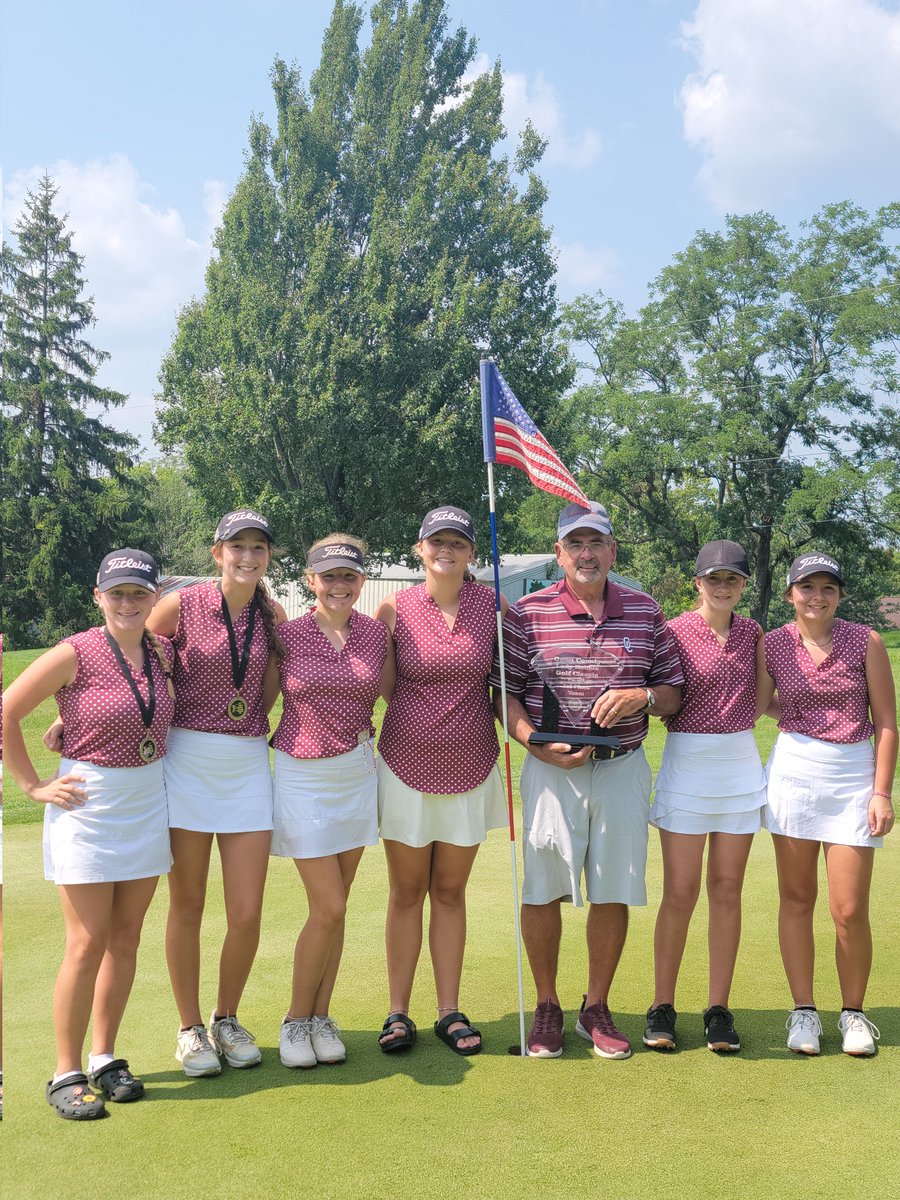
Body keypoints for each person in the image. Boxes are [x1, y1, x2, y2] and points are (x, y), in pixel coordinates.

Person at [492, 501, 684, 1059]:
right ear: (558, 554)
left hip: (621, 767)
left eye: (596, 543)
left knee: (612, 889)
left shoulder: (645, 611)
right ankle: (548, 1006)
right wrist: (532, 742)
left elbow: (672, 691)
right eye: (574, 544)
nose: (586, 554)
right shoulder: (526, 613)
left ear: (612, 551)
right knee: (543, 887)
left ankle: (595, 1007)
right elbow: (504, 693)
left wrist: (641, 696)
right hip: (549, 772)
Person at [3, 550, 175, 1120]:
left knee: (125, 938)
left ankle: (104, 1057)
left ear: (155, 596)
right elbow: (6, 711)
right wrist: (31, 787)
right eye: (117, 593)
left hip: (148, 797)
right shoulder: (73, 651)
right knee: (86, 943)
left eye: (138, 593)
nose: (128, 603)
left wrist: (65, 722)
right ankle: (65, 1071)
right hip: (89, 803)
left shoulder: (161, 652)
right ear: (98, 596)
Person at [146, 509, 286, 1076]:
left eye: (258, 547)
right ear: (217, 553)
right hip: (185, 761)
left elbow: (273, 687)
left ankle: (226, 1017)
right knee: (189, 903)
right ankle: (189, 1029)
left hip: (247, 761)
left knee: (247, 910)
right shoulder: (180, 605)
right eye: (237, 547)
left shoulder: (272, 614)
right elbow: (131, 663)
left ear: (268, 556)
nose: (247, 556)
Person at [376, 507, 507, 1056]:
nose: (446, 550)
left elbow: (507, 684)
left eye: (457, 542)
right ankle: (398, 1012)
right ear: (419, 548)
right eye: (437, 541)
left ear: (472, 552)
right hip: (405, 766)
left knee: (450, 893)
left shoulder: (493, 606)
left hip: (472, 765)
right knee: (407, 892)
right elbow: (380, 685)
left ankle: (448, 1010)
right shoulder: (394, 609)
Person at [760, 552, 897, 1057]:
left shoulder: (867, 641)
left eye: (828, 589)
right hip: (794, 772)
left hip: (853, 778)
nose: (817, 597)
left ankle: (854, 1014)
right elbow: (756, 702)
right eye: (807, 587)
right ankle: (804, 1013)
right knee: (796, 900)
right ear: (790, 593)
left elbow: (886, 722)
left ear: (839, 594)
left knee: (849, 909)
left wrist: (881, 791)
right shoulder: (772, 643)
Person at [268, 536, 393, 1068]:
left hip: (356, 773)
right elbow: (256, 694)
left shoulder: (374, 635)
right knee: (330, 905)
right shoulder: (287, 636)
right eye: (329, 577)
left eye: (349, 576)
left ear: (361, 581)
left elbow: (400, 692)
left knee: (335, 910)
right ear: (309, 580)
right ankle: (295, 1020)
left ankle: (322, 1016)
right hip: (301, 775)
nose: (339, 585)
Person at [644, 540, 767, 1054]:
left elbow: (761, 698)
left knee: (726, 889)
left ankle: (718, 1008)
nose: (722, 587)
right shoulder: (673, 631)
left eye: (732, 579)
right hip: (687, 762)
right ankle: (662, 1005)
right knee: (680, 891)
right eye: (713, 578)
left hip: (738, 765)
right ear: (698, 582)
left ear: (743, 586)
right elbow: (660, 696)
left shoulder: (754, 632)